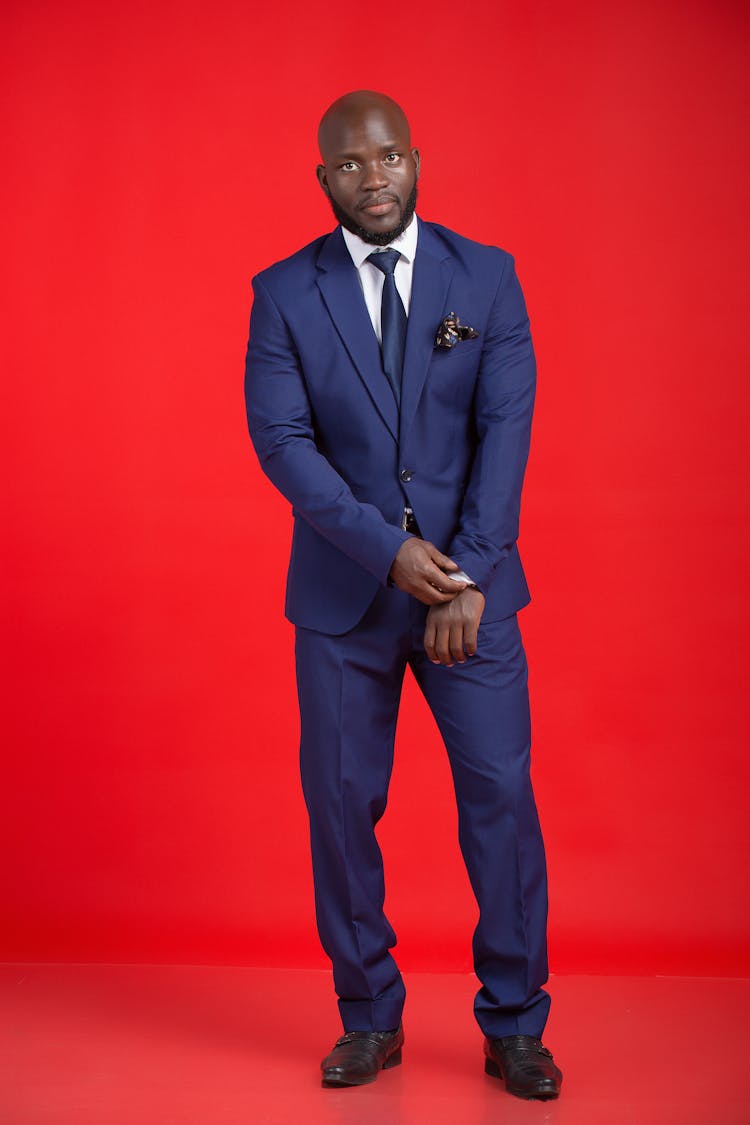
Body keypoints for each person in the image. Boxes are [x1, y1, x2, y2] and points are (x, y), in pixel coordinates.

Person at [244, 90, 562, 1101]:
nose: (371, 178)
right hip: (345, 599)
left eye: (386, 158)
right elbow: (283, 444)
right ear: (324, 179)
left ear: (415, 160)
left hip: (471, 594)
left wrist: (462, 572)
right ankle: (368, 1016)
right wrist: (388, 553)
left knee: (501, 801)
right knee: (339, 807)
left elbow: (504, 431)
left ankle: (516, 1023)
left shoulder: (489, 279)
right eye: (349, 164)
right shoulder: (284, 294)